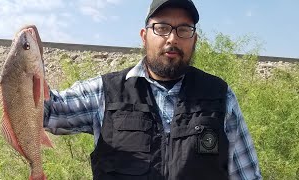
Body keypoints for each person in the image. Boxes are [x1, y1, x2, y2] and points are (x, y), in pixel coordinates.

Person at [44, 0, 262, 179]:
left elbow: (247, 175)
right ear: (144, 36)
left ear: (194, 39)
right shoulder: (104, 92)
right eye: (162, 28)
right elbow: (47, 112)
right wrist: (23, 68)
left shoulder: (220, 96)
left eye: (184, 29)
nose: (173, 38)